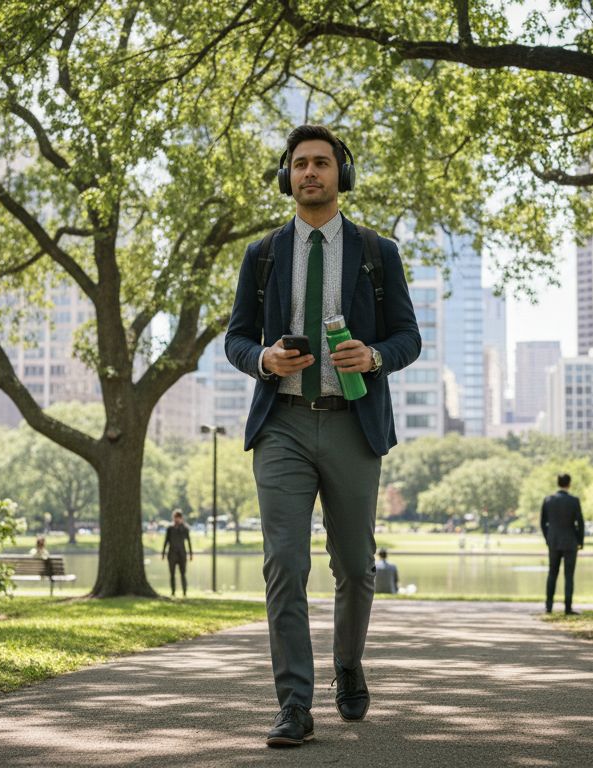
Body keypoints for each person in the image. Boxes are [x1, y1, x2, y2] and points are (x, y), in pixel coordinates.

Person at [225, 124, 420, 747]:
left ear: (342, 173)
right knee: (284, 563)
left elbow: (408, 337)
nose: (311, 173)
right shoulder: (261, 255)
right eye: (300, 164)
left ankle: (349, 665)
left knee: (357, 568)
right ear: (288, 176)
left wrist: (376, 356)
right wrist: (262, 360)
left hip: (352, 424)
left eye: (322, 163)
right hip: (280, 422)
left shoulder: (376, 252)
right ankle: (294, 703)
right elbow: (235, 338)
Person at [541, 473, 585, 615]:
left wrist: (548, 537)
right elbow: (580, 523)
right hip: (570, 541)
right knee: (569, 575)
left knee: (552, 573)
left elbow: (543, 522)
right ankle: (568, 607)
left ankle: (548, 606)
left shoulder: (548, 500)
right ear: (569, 483)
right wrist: (580, 540)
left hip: (553, 541)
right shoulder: (574, 501)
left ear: (558, 483)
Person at [160, 510, 194, 597]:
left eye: (178, 517)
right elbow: (166, 541)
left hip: (182, 554)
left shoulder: (185, 529)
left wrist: (191, 554)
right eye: (175, 517)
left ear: (181, 518)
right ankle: (173, 591)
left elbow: (189, 542)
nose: (177, 519)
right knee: (172, 574)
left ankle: (184, 592)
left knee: (183, 574)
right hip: (172, 554)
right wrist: (163, 553)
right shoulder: (170, 528)